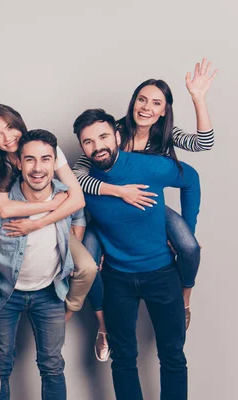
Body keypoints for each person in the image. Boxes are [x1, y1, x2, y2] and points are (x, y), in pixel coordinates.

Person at [72, 59, 216, 361]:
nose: (146, 107)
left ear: (164, 110)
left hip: (147, 210)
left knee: (189, 246)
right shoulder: (113, 133)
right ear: (133, 102)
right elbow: (78, 175)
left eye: (156, 103)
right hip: (106, 211)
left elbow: (204, 145)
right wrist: (118, 191)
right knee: (86, 266)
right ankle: (103, 327)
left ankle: (184, 301)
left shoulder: (165, 134)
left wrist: (198, 99)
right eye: (141, 99)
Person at [72, 108, 200, 400]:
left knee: (173, 356)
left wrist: (187, 232)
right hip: (117, 278)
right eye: (88, 141)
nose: (97, 146)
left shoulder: (150, 165)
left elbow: (191, 180)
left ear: (118, 135)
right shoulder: (81, 179)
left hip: (162, 274)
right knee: (124, 358)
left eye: (103, 136)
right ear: (82, 147)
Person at [0, 103, 97, 396]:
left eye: (10, 128)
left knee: (52, 364)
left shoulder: (48, 153)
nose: (7, 137)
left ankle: (68, 307)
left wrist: (39, 223)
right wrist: (49, 206)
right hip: (6, 279)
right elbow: (2, 209)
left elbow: (77, 202)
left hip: (48, 291)